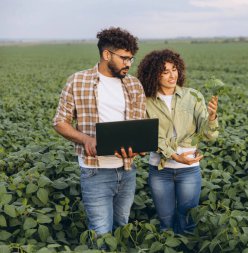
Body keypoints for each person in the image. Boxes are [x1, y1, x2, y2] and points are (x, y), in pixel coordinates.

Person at [53, 27, 146, 237]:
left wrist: (139, 148)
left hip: (126, 169)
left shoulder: (134, 84)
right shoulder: (78, 81)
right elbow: (60, 122)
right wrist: (85, 139)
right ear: (106, 54)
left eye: (131, 58)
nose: (129, 64)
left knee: (122, 226)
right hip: (95, 171)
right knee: (101, 232)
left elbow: (139, 125)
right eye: (124, 58)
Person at [136, 49, 219, 234]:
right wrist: (174, 155)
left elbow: (210, 135)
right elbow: (151, 136)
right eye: (165, 71)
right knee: (166, 224)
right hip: (160, 170)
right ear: (153, 74)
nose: (172, 75)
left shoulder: (193, 96)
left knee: (188, 223)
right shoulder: (146, 101)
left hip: (189, 170)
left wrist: (212, 117)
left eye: (174, 69)